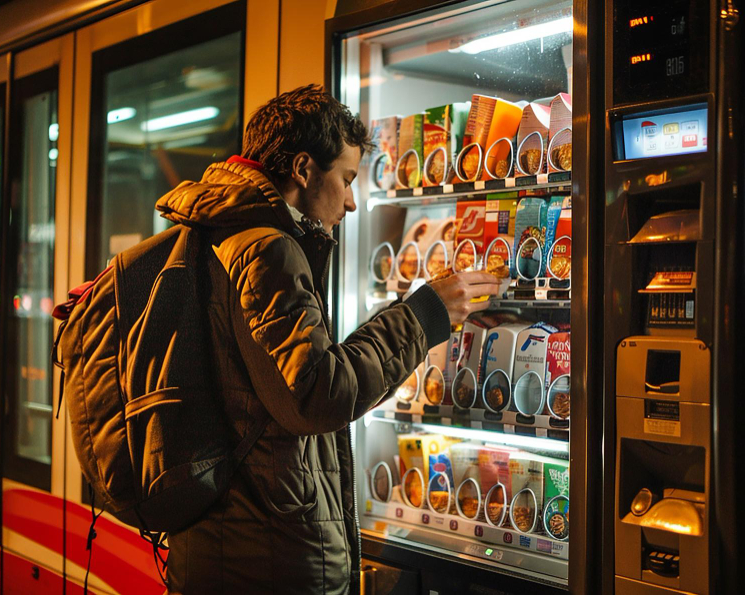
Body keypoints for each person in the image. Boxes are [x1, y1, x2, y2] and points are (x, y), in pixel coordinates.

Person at [160, 84, 499, 594]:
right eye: (345, 179)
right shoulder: (266, 251)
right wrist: (425, 314)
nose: (354, 201)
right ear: (302, 170)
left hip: (225, 543)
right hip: (263, 561)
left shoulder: (215, 231)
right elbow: (319, 393)